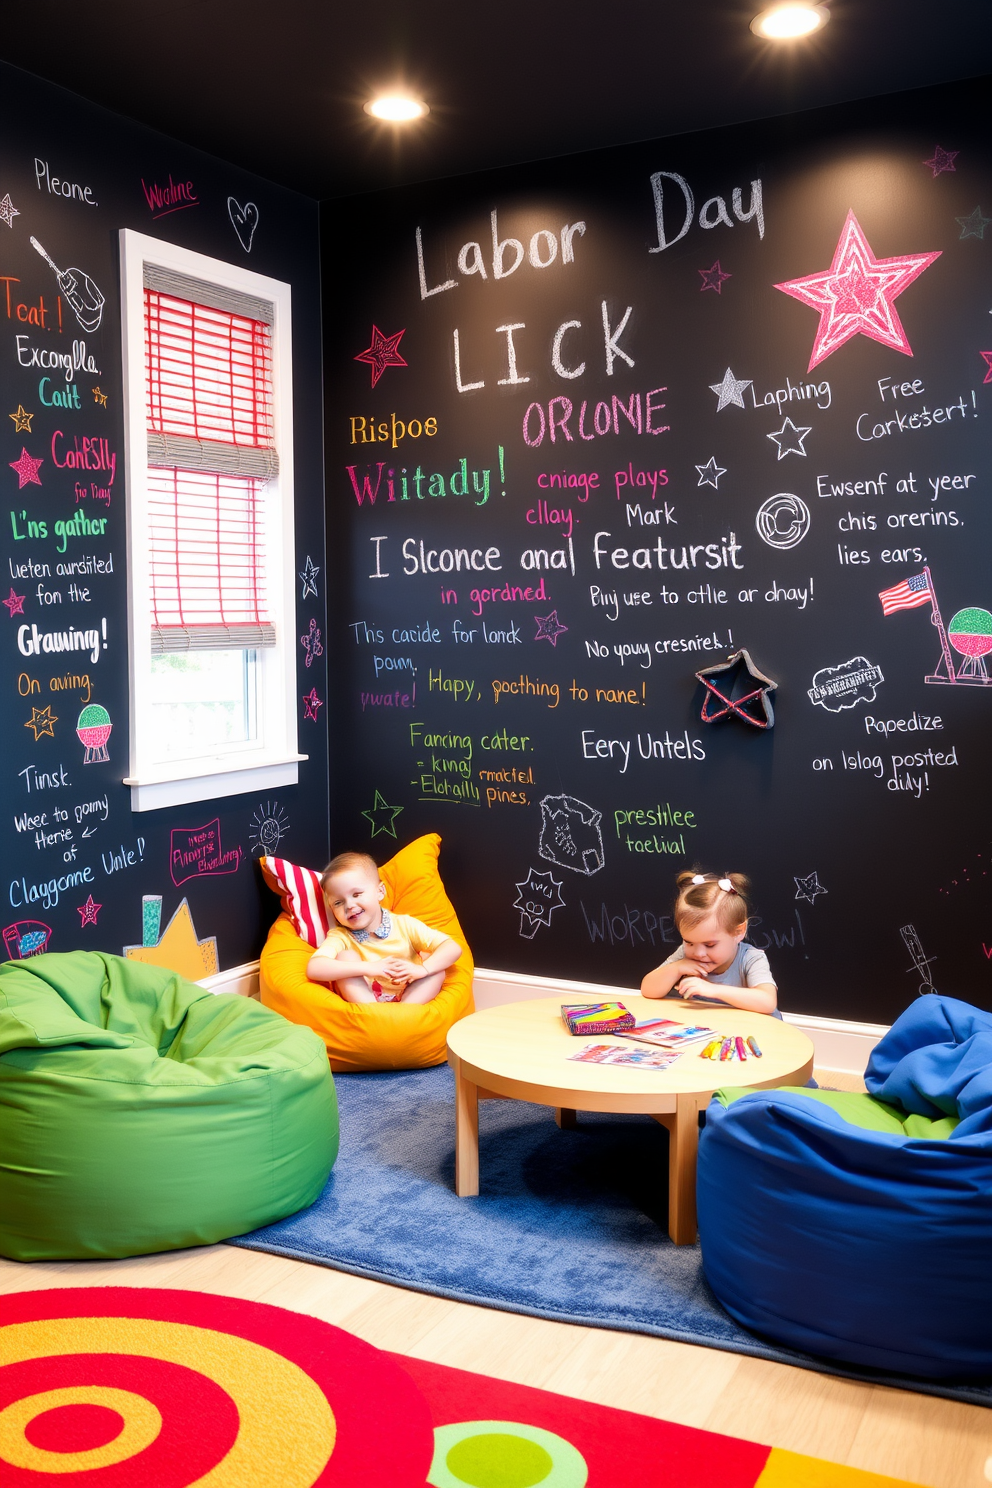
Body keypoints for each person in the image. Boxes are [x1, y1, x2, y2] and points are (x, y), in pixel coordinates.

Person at [307, 851, 461, 1005]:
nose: (349, 905)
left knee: (436, 970)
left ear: (380, 892)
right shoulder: (340, 936)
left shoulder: (404, 925)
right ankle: (375, 1014)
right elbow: (314, 968)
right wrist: (367, 968)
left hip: (409, 995)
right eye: (338, 903)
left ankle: (403, 1013)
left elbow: (452, 948)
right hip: (367, 1001)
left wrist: (422, 970)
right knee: (345, 957)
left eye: (357, 894)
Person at [640, 871, 778, 1016]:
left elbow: (767, 1002)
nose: (698, 953)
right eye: (689, 942)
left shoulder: (750, 958)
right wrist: (676, 968)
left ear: (739, 932)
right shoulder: (684, 956)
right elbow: (648, 990)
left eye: (710, 945)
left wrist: (712, 989)